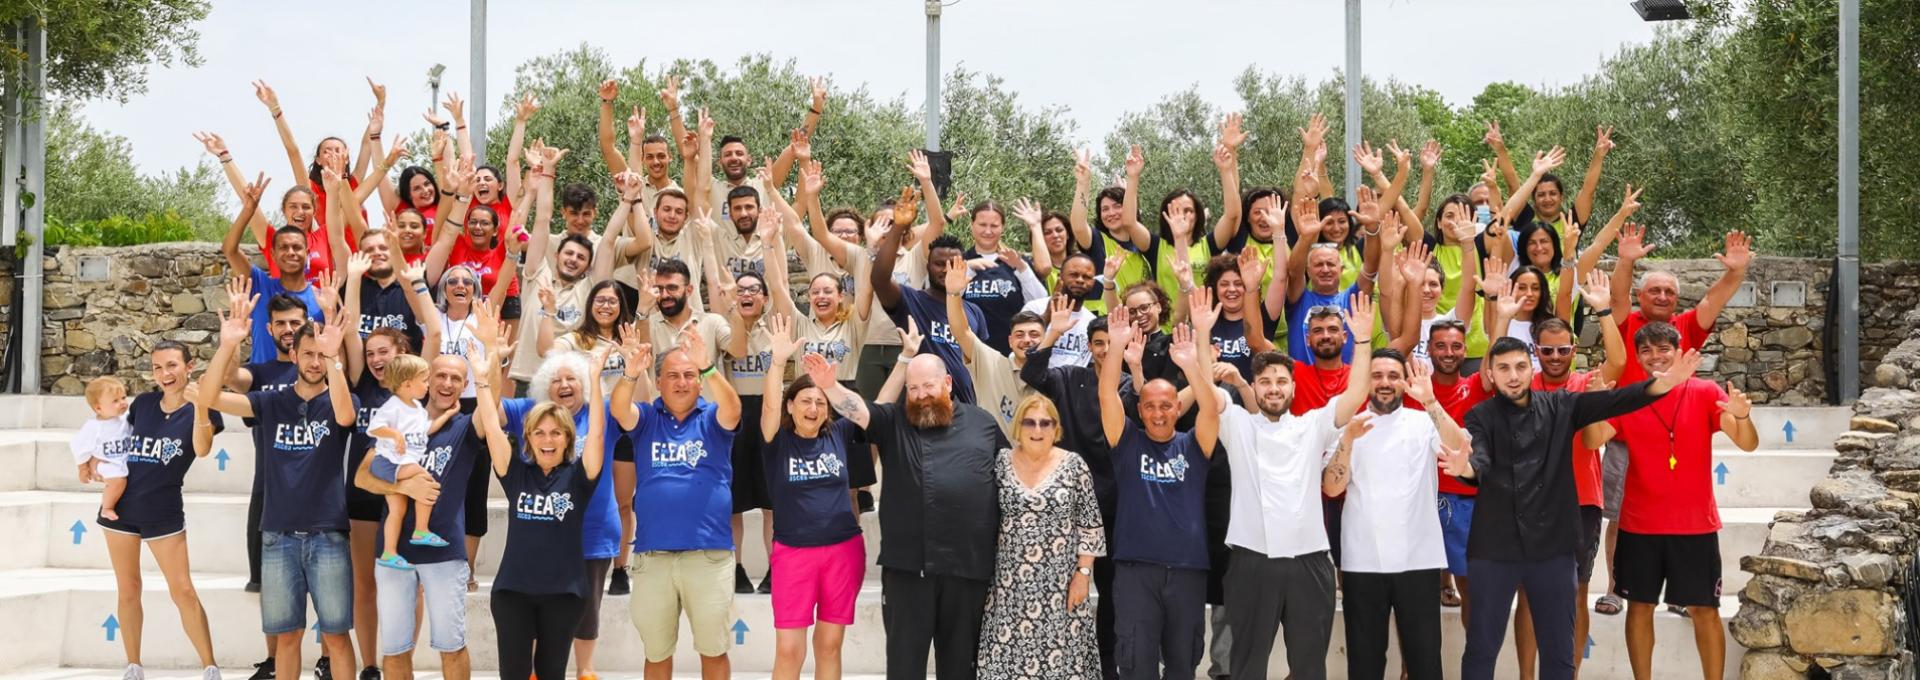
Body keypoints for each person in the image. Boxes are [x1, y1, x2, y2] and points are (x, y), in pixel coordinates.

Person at [1441, 337, 1706, 680]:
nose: (1513, 376)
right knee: (1480, 647)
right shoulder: (1481, 415)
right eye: (1503, 368)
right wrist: (1465, 470)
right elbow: (1481, 462)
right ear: (1490, 372)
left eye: (1520, 367)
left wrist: (1666, 382)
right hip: (1494, 550)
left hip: (1553, 549)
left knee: (1559, 650)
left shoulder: (1560, 405)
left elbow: (1618, 399)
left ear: (1531, 368)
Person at [806, 351, 1008, 680]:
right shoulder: (894, 421)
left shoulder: (982, 422)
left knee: (961, 667)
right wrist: (830, 387)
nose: (921, 396)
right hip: (908, 569)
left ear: (947, 383)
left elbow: (1008, 477)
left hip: (968, 568)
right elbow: (858, 411)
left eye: (928, 386)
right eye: (913, 389)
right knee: (904, 666)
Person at [1579, 321, 1758, 680]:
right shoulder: (1630, 397)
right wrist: (1594, 405)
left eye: (1663, 349)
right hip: (1639, 525)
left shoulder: (1705, 391)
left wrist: (1742, 416)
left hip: (1695, 526)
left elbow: (1747, 442)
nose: (1656, 357)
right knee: (1640, 608)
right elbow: (1591, 441)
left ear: (1679, 352)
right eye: (1646, 350)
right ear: (1639, 357)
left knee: (1704, 610)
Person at [200, 298, 362, 680]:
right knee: (287, 636)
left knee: (336, 636)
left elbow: (345, 416)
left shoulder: (341, 397)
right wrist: (227, 346)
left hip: (327, 535)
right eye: (308, 353)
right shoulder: (270, 402)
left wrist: (335, 358)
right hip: (278, 536)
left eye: (321, 355)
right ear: (294, 354)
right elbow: (208, 398)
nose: (315, 362)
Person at [1217, 293, 1376, 680]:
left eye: (1281, 382)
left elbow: (1355, 395)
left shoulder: (1312, 425)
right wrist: (1203, 336)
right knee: (1245, 668)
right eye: (1265, 381)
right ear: (1253, 387)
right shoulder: (1236, 424)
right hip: (1251, 559)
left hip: (1310, 562)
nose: (1273, 388)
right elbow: (1209, 397)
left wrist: (1365, 340)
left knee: (1308, 669)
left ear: (1292, 389)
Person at [1596, 227, 1751, 617]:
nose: (1662, 296)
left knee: (1679, 518)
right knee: (1618, 515)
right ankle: (1616, 586)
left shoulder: (1685, 329)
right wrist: (1626, 261)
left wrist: (1734, 272)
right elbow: (1615, 296)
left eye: (1668, 292)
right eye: (1654, 291)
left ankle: (1682, 594)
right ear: (1641, 296)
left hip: (1676, 437)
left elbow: (1715, 299)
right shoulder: (1624, 322)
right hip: (1624, 435)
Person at [1510, 271, 1628, 679]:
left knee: (1576, 595)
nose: (1556, 357)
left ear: (1573, 349)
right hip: (1531, 504)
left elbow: (1619, 361)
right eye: (1548, 350)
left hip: (1581, 504)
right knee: (1526, 595)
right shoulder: (1523, 386)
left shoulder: (1586, 384)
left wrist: (1604, 311)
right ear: (1536, 351)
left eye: (1563, 350)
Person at [1324, 350, 1468, 680]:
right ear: (1365, 381)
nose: (1385, 383)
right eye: (1377, 376)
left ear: (1404, 381)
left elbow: (1461, 450)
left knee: (1425, 662)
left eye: (1393, 376)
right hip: (1363, 561)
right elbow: (1332, 488)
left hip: (1418, 560)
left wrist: (1431, 401)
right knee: (1364, 662)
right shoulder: (1348, 426)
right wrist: (1347, 438)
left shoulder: (1423, 422)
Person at [1098, 296, 1220, 680]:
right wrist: (1116, 347)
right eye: (1150, 406)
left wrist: (1191, 365)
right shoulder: (1127, 442)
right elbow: (1105, 396)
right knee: (1136, 665)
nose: (1158, 412)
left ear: (1177, 408)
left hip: (1187, 571)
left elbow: (1212, 408)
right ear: (1140, 409)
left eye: (1167, 405)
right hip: (1136, 571)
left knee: (1183, 665)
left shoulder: (1194, 445)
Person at [616, 327, 743, 680]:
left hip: (708, 556)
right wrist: (629, 373)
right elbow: (619, 409)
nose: (682, 382)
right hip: (653, 557)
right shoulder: (647, 418)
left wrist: (708, 367)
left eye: (690, 375)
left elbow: (734, 408)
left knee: (714, 652)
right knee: (656, 655)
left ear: (700, 382)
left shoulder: (713, 417)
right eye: (672, 375)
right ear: (658, 382)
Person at [352, 353, 480, 680]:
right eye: (440, 376)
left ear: (465, 385)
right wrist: (406, 486)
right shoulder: (398, 416)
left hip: (444, 552)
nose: (447, 384)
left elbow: (491, 413)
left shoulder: (464, 425)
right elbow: (362, 478)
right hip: (394, 553)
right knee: (394, 650)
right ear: (424, 380)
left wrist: (489, 364)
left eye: (456, 378)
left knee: (451, 645)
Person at [488, 347, 612, 680]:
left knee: (551, 674)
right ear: (527, 438)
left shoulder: (579, 476)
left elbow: (598, 433)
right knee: (514, 674)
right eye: (539, 432)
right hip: (513, 593)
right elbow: (490, 424)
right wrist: (484, 372)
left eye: (556, 432)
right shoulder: (516, 474)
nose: (547, 439)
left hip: (565, 594)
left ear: (568, 439)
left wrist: (596, 379)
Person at [102, 340, 223, 680]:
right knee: (128, 589)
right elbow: (116, 442)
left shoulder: (204, 409)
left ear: (190, 366)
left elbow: (201, 449)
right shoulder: (143, 404)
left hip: (164, 510)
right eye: (157, 367)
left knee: (182, 589)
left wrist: (200, 407)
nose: (164, 374)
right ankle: (133, 666)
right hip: (121, 508)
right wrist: (93, 463)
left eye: (171, 365)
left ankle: (210, 667)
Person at [971, 393, 1106, 680]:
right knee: (1006, 663)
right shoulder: (1000, 463)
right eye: (1030, 422)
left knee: (1064, 666)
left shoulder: (1074, 465)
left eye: (1046, 423)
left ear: (1056, 429)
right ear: (1018, 426)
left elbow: (1091, 524)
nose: (1037, 430)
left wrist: (1083, 573)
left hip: (1061, 588)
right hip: (1009, 588)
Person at [762, 318, 869, 680]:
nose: (813, 408)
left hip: (843, 550)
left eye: (820, 402)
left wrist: (904, 361)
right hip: (794, 553)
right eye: (805, 400)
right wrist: (778, 363)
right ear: (790, 406)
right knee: (789, 651)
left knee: (829, 646)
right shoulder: (777, 441)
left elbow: (878, 407)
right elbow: (768, 408)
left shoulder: (839, 433)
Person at [870, 186, 988, 404]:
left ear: (963, 266)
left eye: (952, 264)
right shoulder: (912, 301)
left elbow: (981, 366)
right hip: (921, 405)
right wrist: (899, 227)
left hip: (964, 409)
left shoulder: (974, 312)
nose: (945, 269)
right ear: (928, 267)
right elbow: (879, 279)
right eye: (938, 264)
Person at [365, 354, 450, 570]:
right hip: (387, 463)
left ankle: (389, 552)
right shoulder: (393, 405)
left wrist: (448, 414)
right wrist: (395, 435)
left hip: (399, 463)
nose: (428, 384)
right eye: (424, 380)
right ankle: (421, 529)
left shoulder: (418, 410)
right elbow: (373, 427)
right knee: (425, 480)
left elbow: (427, 430)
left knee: (398, 509)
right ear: (407, 384)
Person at [74, 377, 133, 521]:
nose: (123, 403)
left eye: (124, 397)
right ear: (98, 408)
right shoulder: (94, 426)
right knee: (118, 480)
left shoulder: (126, 418)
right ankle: (107, 507)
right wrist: (83, 468)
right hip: (105, 463)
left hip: (122, 459)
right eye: (115, 401)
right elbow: (79, 447)